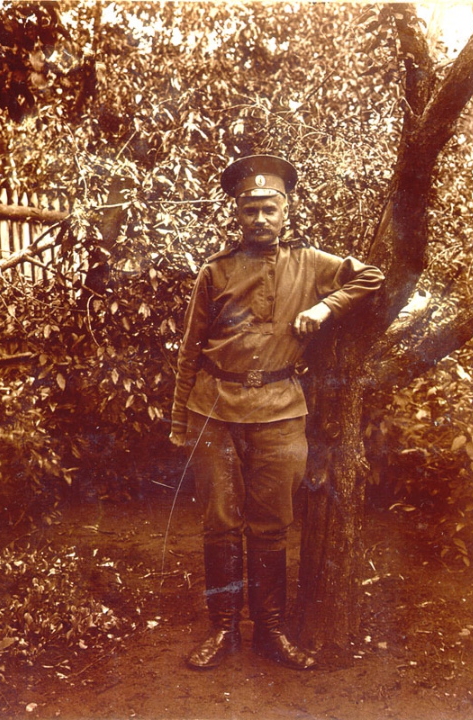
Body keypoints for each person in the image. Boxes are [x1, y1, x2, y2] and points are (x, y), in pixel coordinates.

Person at [169, 155, 384, 671]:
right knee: (220, 525)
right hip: (215, 410)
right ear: (237, 214)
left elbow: (372, 277)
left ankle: (270, 632)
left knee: (272, 525)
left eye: (270, 209)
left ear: (286, 211)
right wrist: (179, 420)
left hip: (281, 411)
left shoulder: (310, 263)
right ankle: (223, 630)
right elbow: (190, 349)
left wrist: (324, 306)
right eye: (250, 210)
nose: (260, 219)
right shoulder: (216, 271)